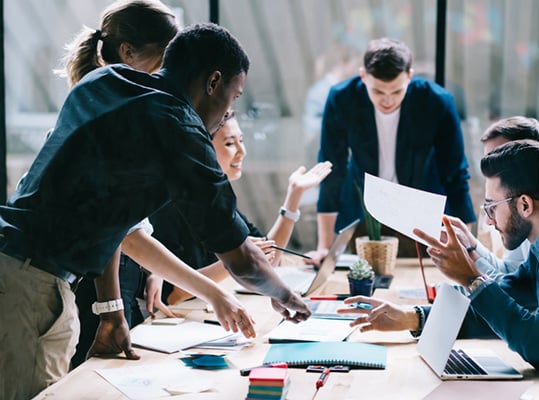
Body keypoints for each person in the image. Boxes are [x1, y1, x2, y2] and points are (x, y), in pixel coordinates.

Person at [0, 22, 310, 400]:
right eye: (235, 96)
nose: (229, 112)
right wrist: (286, 296)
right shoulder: (177, 126)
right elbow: (241, 258)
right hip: (34, 288)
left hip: (14, 266)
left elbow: (114, 220)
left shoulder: (107, 81)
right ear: (214, 82)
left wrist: (111, 310)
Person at [341, 140, 539, 398]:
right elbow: (510, 296)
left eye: (491, 207)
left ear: (524, 205)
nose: (488, 220)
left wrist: (471, 277)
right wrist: (413, 316)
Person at [54, 0, 182, 369]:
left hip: (89, 285)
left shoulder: (106, 106)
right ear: (127, 51)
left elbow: (120, 223)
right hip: (65, 286)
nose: (167, 75)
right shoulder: (103, 116)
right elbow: (120, 231)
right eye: (164, 59)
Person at [311, 37, 476, 263]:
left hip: (421, 211)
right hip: (363, 213)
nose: (387, 100)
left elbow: (455, 174)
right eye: (378, 92)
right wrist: (324, 247)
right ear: (363, 76)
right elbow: (332, 170)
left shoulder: (436, 101)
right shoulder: (341, 98)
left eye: (397, 92)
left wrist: (466, 248)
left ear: (410, 76)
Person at [157, 113, 332, 305]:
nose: (242, 151)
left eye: (241, 140)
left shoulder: (216, 200)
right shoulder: (169, 207)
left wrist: (294, 196)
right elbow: (172, 294)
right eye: (230, 144)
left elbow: (267, 259)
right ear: (201, 149)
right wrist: (238, 260)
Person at [443, 116, 539, 281]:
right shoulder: (523, 218)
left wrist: (470, 277)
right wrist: (470, 245)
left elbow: (525, 300)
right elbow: (512, 276)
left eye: (499, 157)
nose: (491, 169)